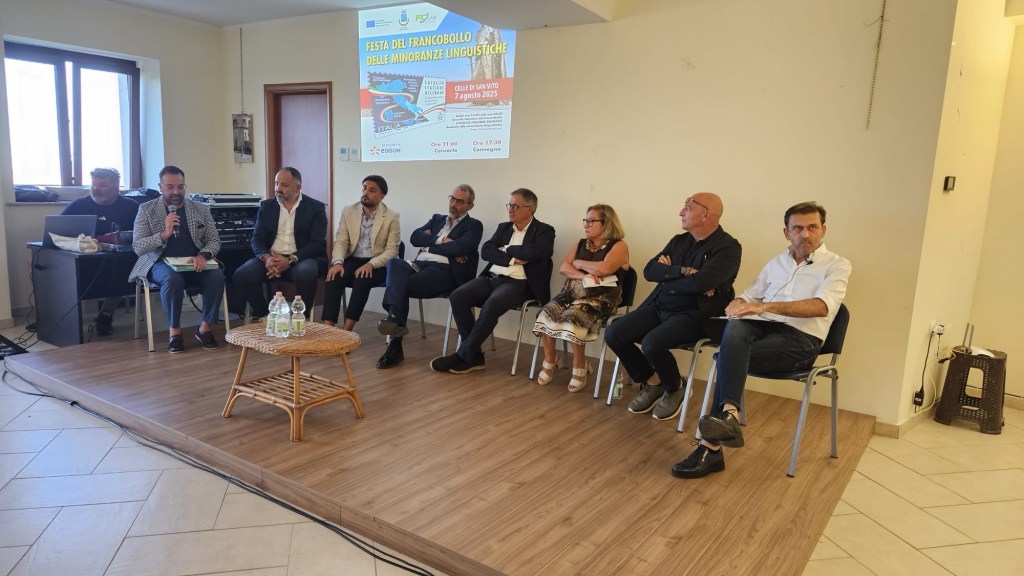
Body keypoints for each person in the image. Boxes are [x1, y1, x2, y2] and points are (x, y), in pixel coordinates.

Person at [672, 201, 851, 479]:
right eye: (798, 228)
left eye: (812, 227)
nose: (805, 234)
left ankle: (711, 448)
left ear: (823, 230)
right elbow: (749, 296)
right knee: (735, 328)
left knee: (726, 356)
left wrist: (764, 307)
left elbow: (822, 306)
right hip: (761, 333)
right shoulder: (776, 263)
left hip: (800, 343)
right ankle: (729, 414)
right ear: (786, 232)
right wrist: (737, 304)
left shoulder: (837, 265)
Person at [603, 193, 741, 421]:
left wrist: (669, 275)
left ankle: (675, 387)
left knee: (652, 344)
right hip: (659, 306)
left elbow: (702, 282)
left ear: (706, 213)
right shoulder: (679, 241)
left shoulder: (728, 247)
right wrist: (684, 271)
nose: (681, 212)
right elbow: (650, 270)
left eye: (688, 207)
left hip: (695, 314)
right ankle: (653, 381)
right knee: (614, 333)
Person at [431, 188, 555, 374]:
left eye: (515, 206)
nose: (510, 209)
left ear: (529, 209)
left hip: (519, 283)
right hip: (491, 278)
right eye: (509, 205)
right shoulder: (503, 227)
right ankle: (474, 356)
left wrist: (506, 248)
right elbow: (486, 250)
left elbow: (536, 252)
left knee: (491, 305)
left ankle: (463, 354)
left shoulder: (545, 231)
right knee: (458, 296)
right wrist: (512, 258)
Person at [375, 185, 483, 369]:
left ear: (470, 206)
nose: (453, 204)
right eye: (452, 198)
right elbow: (414, 238)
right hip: (419, 266)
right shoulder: (437, 219)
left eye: (459, 201)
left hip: (445, 272)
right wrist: (441, 241)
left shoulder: (473, 225)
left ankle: (395, 343)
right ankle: (394, 318)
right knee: (395, 263)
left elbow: (461, 247)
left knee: (400, 286)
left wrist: (428, 246)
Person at [532, 204, 629, 392]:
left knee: (573, 316)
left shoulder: (619, 245)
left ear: (606, 223)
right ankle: (550, 361)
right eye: (586, 220)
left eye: (592, 221)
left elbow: (604, 269)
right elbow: (563, 267)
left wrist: (577, 262)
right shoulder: (581, 243)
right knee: (546, 312)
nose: (586, 224)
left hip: (600, 299)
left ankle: (580, 367)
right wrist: (584, 275)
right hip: (571, 293)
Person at [128, 166, 225, 353]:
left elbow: (214, 240)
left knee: (216, 276)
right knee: (172, 279)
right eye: (170, 187)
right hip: (160, 262)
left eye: (180, 187)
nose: (176, 192)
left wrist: (203, 255)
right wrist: (164, 234)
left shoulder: (200, 209)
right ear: (160, 187)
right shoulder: (146, 209)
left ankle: (205, 328)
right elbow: (138, 247)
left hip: (194, 262)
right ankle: (175, 332)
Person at [233, 167, 328, 319]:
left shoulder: (315, 208)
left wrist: (290, 259)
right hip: (271, 259)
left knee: (306, 272)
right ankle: (264, 315)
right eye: (276, 183)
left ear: (298, 187)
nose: (278, 189)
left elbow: (316, 244)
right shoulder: (267, 206)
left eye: (284, 185)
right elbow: (257, 239)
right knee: (241, 275)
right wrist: (267, 258)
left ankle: (300, 318)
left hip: (300, 259)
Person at [60, 167, 139, 335]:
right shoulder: (79, 205)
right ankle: (53, 317)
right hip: (82, 258)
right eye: (93, 185)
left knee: (122, 270)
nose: (96, 189)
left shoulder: (132, 208)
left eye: (103, 185)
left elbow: (141, 235)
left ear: (116, 188)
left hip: (118, 260)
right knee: (47, 267)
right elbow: (58, 230)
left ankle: (106, 315)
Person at [321, 175, 400, 331]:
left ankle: (347, 331)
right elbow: (341, 241)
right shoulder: (349, 211)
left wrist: (371, 264)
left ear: (381, 196)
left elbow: (392, 251)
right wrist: (337, 262)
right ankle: (328, 330)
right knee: (334, 276)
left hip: (378, 263)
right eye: (364, 188)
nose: (365, 193)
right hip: (354, 258)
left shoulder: (392, 216)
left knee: (362, 279)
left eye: (372, 190)